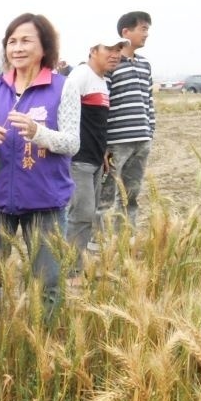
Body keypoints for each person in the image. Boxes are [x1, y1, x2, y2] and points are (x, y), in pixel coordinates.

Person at [0, 13, 79, 353]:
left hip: (45, 201)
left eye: (26, 40)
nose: (17, 48)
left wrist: (39, 133)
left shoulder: (63, 87)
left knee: (46, 281)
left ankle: (44, 349)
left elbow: (72, 143)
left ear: (44, 46)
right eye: (12, 41)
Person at [64, 38, 126, 259]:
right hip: (78, 160)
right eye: (109, 48)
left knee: (87, 215)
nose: (115, 54)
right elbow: (63, 114)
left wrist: (103, 153)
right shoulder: (80, 76)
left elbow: (96, 124)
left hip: (95, 160)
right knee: (80, 214)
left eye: (118, 49)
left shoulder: (102, 81)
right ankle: (70, 271)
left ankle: (76, 265)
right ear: (92, 50)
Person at [98, 11, 155, 234]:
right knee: (107, 195)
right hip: (116, 142)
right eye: (143, 29)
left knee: (131, 195)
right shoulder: (111, 64)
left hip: (141, 140)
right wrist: (103, 144)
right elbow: (103, 104)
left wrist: (150, 130)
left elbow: (148, 100)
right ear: (126, 32)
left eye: (147, 29)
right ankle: (100, 243)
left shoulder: (144, 64)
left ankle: (126, 240)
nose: (147, 34)